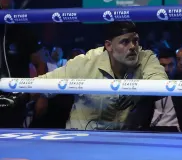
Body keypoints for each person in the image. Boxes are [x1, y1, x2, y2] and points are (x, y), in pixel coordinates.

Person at [33, 21, 167, 130]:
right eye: (125, 42)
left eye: (135, 41)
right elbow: (42, 83)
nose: (133, 46)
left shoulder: (146, 58)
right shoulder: (86, 63)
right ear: (109, 46)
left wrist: (135, 92)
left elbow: (161, 84)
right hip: (83, 141)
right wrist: (18, 92)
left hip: (123, 143)